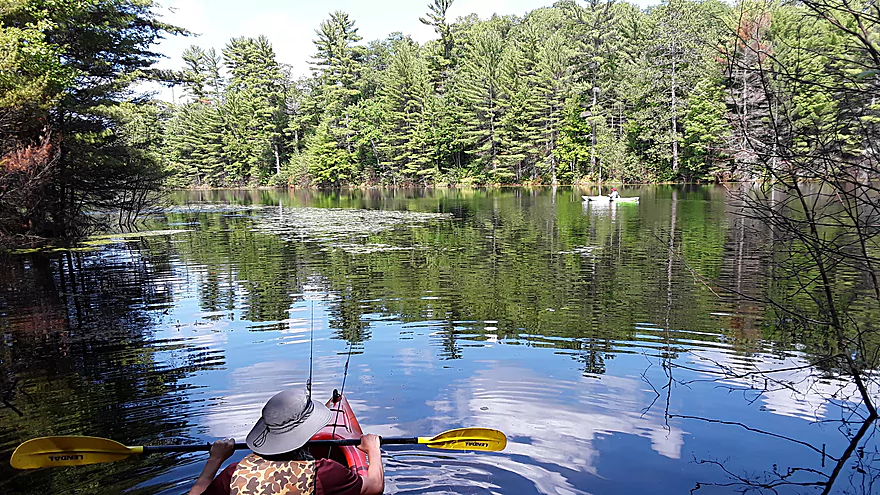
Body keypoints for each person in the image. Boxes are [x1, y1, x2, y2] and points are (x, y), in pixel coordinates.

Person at [189, 389, 385, 495]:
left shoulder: (234, 473)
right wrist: (373, 450)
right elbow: (374, 486)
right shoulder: (323, 473)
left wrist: (215, 459)